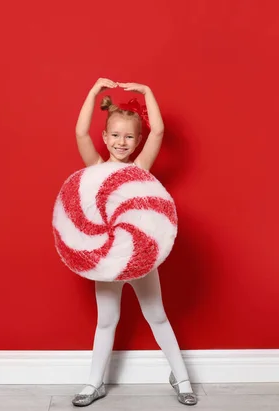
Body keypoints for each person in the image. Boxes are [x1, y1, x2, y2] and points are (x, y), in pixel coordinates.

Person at [71, 78, 197, 407]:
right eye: (114, 135)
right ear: (105, 137)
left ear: (137, 141)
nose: (121, 142)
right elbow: (81, 132)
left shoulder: (141, 168)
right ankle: (93, 383)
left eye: (129, 136)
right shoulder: (96, 168)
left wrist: (147, 93)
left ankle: (182, 378)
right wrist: (94, 92)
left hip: (140, 256)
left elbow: (158, 132)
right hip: (108, 258)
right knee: (107, 320)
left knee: (156, 315)